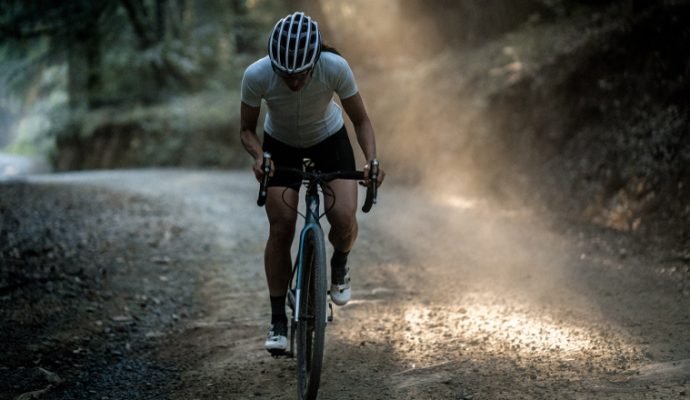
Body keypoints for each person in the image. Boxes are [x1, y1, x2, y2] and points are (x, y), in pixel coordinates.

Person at [239, 11, 385, 354]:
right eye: (285, 75)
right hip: (281, 144)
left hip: (329, 140)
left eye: (300, 75)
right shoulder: (256, 75)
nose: (292, 82)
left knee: (344, 218)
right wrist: (260, 157)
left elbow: (361, 120)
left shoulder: (334, 67)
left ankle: (338, 263)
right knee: (281, 227)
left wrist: (371, 161)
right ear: (273, 63)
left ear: (315, 61)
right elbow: (246, 130)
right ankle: (277, 319)